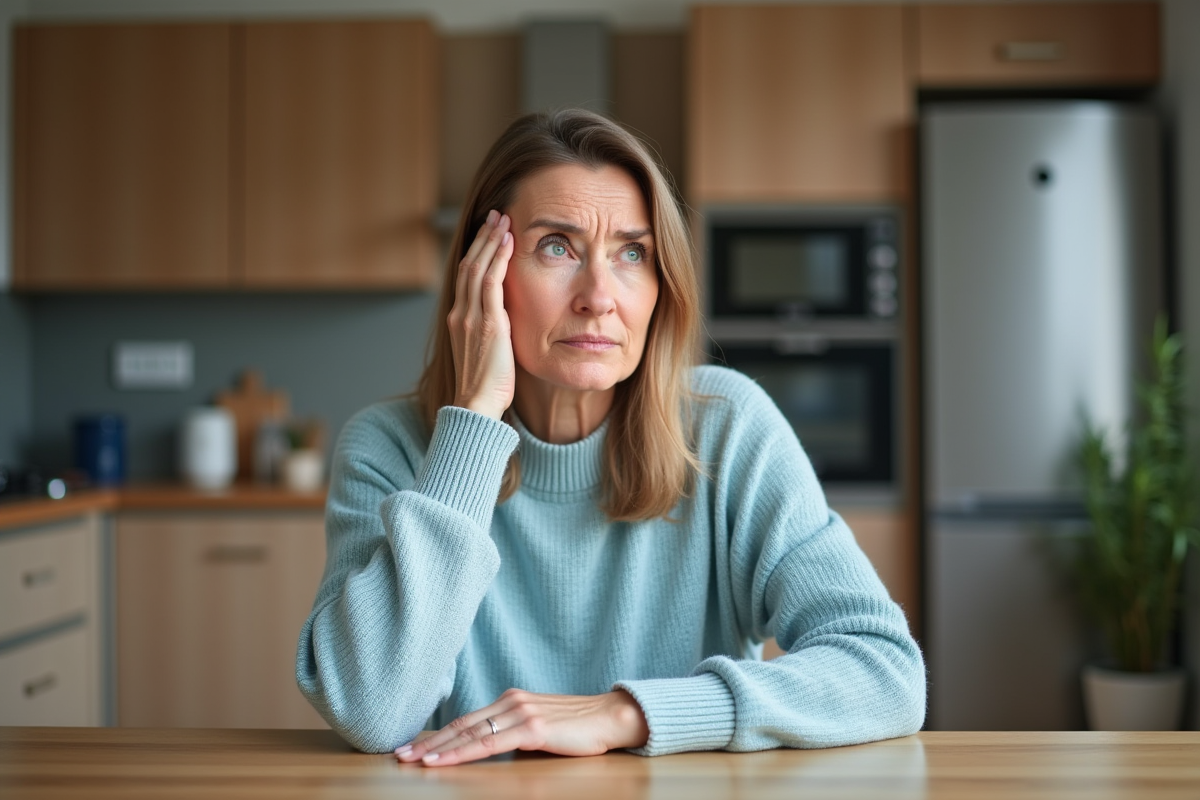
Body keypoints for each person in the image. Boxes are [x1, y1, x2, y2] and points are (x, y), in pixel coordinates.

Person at [296, 109, 925, 766]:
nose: (599, 295)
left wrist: (627, 712)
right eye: (557, 247)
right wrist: (476, 421)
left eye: (632, 252)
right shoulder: (387, 447)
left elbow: (885, 671)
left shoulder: (728, 427)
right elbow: (371, 710)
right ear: (482, 274)